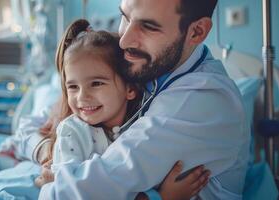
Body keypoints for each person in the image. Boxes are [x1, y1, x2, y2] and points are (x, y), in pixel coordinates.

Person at [36, 0, 250, 199]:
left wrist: (58, 177)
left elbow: (75, 190)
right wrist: (43, 148)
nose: (124, 40)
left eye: (148, 26)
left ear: (196, 31)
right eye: (125, 17)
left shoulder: (205, 99)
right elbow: (36, 122)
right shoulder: (150, 68)